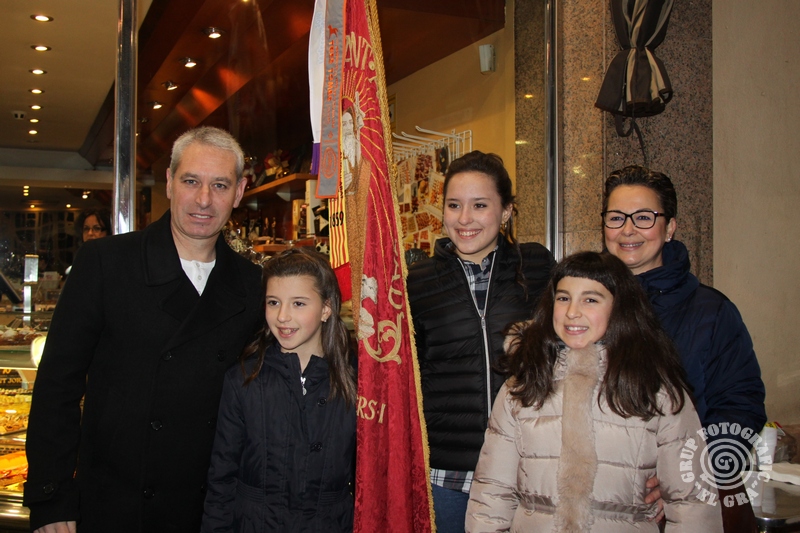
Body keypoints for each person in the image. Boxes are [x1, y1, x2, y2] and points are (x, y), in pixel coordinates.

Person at [23, 126, 264, 533]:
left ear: (239, 192)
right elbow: (57, 386)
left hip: (211, 509)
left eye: (220, 185)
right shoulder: (106, 263)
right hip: (116, 504)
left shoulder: (252, 284)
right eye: (191, 181)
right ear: (169, 182)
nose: (204, 200)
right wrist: (51, 497)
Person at [466, 251, 724, 532]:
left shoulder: (655, 389)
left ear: (619, 307)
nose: (572, 312)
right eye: (563, 298)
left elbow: (692, 503)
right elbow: (492, 493)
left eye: (590, 300)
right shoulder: (523, 386)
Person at [406, 151, 555, 532]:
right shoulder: (418, 281)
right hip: (448, 473)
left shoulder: (537, 266)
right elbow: (409, 373)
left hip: (526, 466)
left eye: (480, 205)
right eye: (454, 205)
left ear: (506, 211)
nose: (464, 219)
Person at [200, 247, 356, 532]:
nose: (282, 316)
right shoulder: (243, 380)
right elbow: (222, 478)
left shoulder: (354, 383)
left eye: (298, 304)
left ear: (326, 308)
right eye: (273, 302)